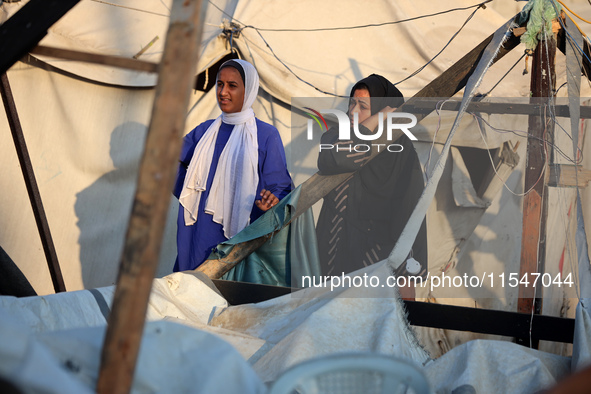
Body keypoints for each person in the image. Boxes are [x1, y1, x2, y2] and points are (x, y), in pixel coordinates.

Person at [173, 59, 292, 272]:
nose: (223, 92)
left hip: (242, 235)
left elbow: (281, 189)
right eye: (220, 84)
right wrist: (190, 190)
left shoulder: (265, 136)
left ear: (249, 90)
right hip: (196, 234)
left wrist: (271, 203)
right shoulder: (205, 131)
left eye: (232, 85)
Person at [316, 74, 427, 277]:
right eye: (352, 104)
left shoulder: (400, 151)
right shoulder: (334, 136)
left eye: (362, 106)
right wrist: (375, 118)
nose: (352, 112)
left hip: (375, 256)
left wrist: (407, 275)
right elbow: (339, 157)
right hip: (332, 248)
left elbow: (411, 210)